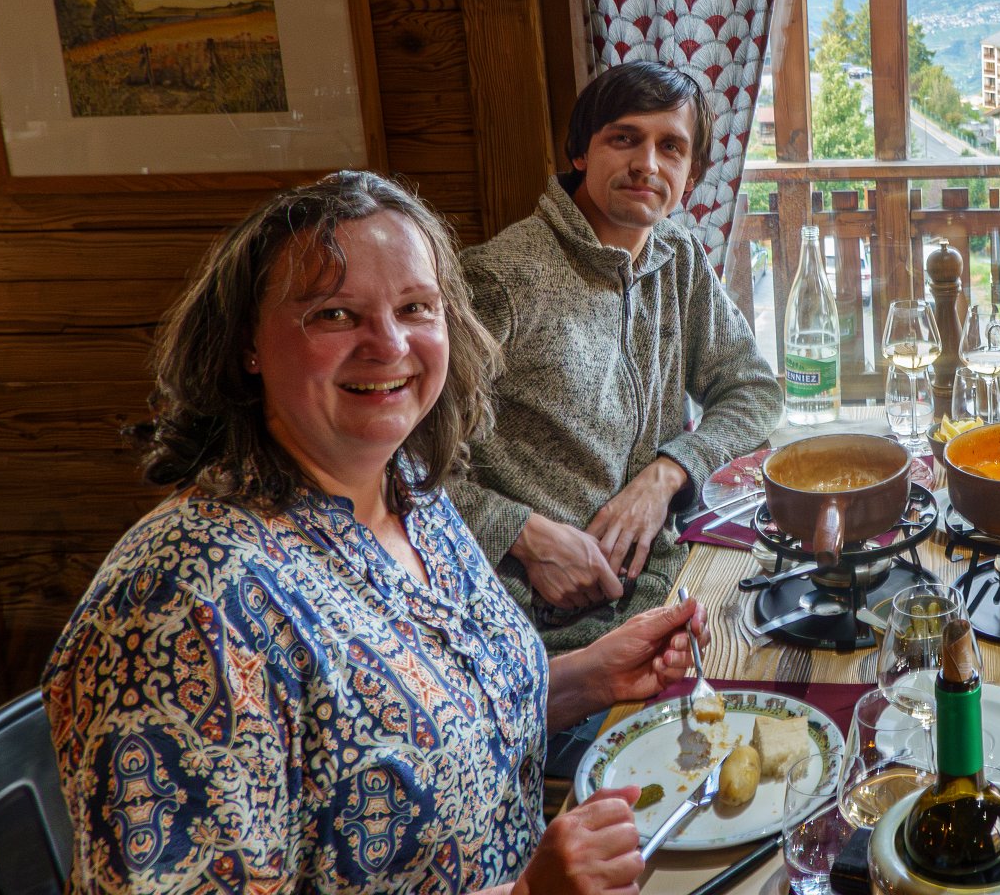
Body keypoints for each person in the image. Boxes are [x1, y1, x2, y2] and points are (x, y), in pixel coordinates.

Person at [45, 172, 708, 892]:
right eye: (334, 314)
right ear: (246, 344)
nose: (388, 344)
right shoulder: (184, 605)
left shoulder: (410, 491)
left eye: (415, 307)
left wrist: (592, 676)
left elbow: (430, 740)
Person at [451, 61, 781, 650]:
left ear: (691, 176)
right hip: (537, 629)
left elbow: (753, 390)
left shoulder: (678, 257)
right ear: (581, 152)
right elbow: (404, 468)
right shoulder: (498, 280)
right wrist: (523, 535)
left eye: (670, 147)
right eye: (624, 138)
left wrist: (668, 473)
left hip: (669, 586)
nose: (647, 164)